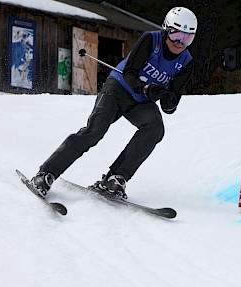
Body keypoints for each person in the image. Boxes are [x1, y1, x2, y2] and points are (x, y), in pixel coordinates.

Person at [31, 7, 197, 199]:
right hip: (118, 89)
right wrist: (146, 88)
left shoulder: (186, 62)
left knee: (155, 127)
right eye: (177, 35)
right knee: (95, 131)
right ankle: (46, 173)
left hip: (141, 102)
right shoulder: (151, 40)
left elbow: (171, 104)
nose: (180, 43)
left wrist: (169, 101)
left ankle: (115, 178)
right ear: (166, 30)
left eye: (187, 38)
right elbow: (130, 72)